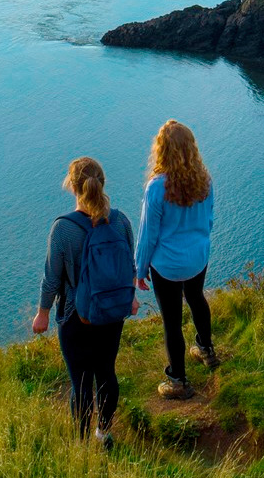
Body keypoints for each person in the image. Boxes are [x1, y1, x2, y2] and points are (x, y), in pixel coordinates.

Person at [33, 156, 137, 449]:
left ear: (73, 187)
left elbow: (52, 279)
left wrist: (42, 314)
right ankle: (103, 434)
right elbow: (129, 266)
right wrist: (132, 298)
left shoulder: (63, 229)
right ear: (102, 184)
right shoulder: (120, 221)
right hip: (112, 314)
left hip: (75, 316)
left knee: (80, 383)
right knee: (106, 372)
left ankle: (80, 445)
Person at [135, 120, 218, 400]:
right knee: (196, 298)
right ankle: (206, 350)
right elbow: (208, 221)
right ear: (191, 149)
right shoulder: (204, 180)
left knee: (171, 320)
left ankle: (178, 381)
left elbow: (148, 235)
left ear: (162, 151)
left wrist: (140, 269)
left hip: (168, 265)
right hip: (197, 257)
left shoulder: (156, 188)